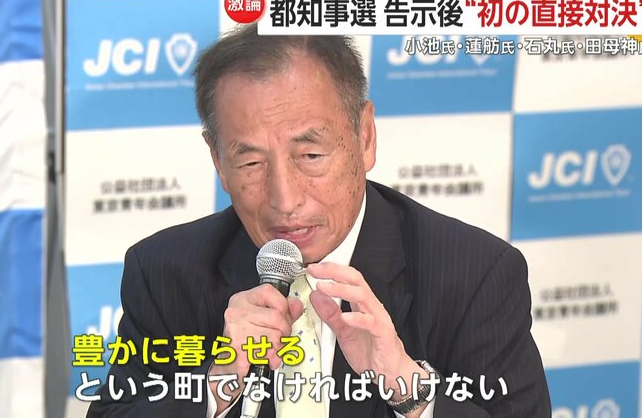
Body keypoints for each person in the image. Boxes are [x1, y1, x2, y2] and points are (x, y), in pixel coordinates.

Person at [86, 23, 551, 418]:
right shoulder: (165, 271)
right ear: (218, 161)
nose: (285, 200)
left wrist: (409, 391)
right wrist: (217, 387)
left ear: (364, 138)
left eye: (310, 155)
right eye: (251, 163)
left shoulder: (474, 274)